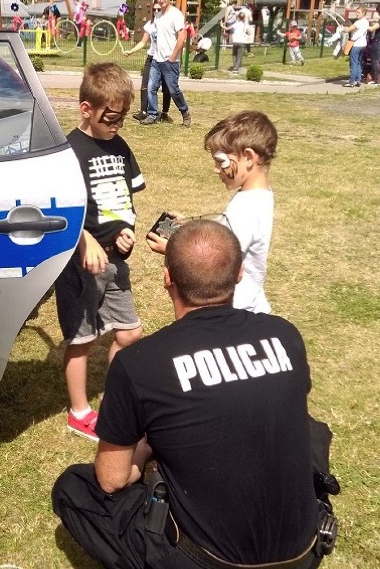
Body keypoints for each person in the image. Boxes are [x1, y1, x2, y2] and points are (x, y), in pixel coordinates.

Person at [52, 219, 323, 569]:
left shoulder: (139, 363)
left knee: (74, 486)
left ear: (167, 280)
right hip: (304, 553)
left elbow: (113, 478)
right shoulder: (285, 335)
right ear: (239, 273)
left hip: (204, 561)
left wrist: (148, 444)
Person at [55, 63, 145, 441]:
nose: (116, 127)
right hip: (81, 265)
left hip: (115, 261)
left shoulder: (120, 147)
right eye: (110, 119)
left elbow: (124, 201)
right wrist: (84, 240)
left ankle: (112, 400)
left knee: (130, 332)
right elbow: (57, 210)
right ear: (86, 109)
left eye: (122, 119)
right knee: (83, 339)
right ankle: (79, 412)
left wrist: (128, 231)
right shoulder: (67, 153)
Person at [147, 110, 277, 314]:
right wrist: (190, 227)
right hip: (248, 303)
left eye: (221, 161)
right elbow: (226, 231)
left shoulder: (246, 209)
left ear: (249, 157)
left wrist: (173, 247)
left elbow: (218, 260)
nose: (216, 169)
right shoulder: (258, 196)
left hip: (236, 310)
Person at [140, 0, 191, 127]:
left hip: (170, 60)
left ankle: (185, 113)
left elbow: (182, 37)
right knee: (151, 87)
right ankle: (152, 114)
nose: (161, 0)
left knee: (173, 90)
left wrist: (173, 57)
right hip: (157, 60)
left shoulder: (176, 15)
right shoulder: (158, 17)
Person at [123, 6, 173, 123]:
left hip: (165, 59)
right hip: (152, 58)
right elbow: (142, 42)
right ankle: (144, 112)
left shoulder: (169, 22)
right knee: (146, 85)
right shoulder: (150, 24)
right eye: (154, 9)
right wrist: (130, 52)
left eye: (158, 9)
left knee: (167, 88)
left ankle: (164, 113)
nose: (156, 11)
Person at [343, 7, 369, 87]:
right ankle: (358, 80)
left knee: (353, 63)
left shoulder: (358, 22)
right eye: (356, 12)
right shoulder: (366, 22)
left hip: (356, 44)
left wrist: (344, 29)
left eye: (359, 12)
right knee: (358, 62)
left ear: (363, 13)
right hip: (363, 44)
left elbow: (348, 30)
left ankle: (352, 82)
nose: (357, 14)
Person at [367, 10, 380, 84]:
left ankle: (375, 80)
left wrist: (363, 24)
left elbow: (372, 29)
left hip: (378, 41)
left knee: (375, 60)